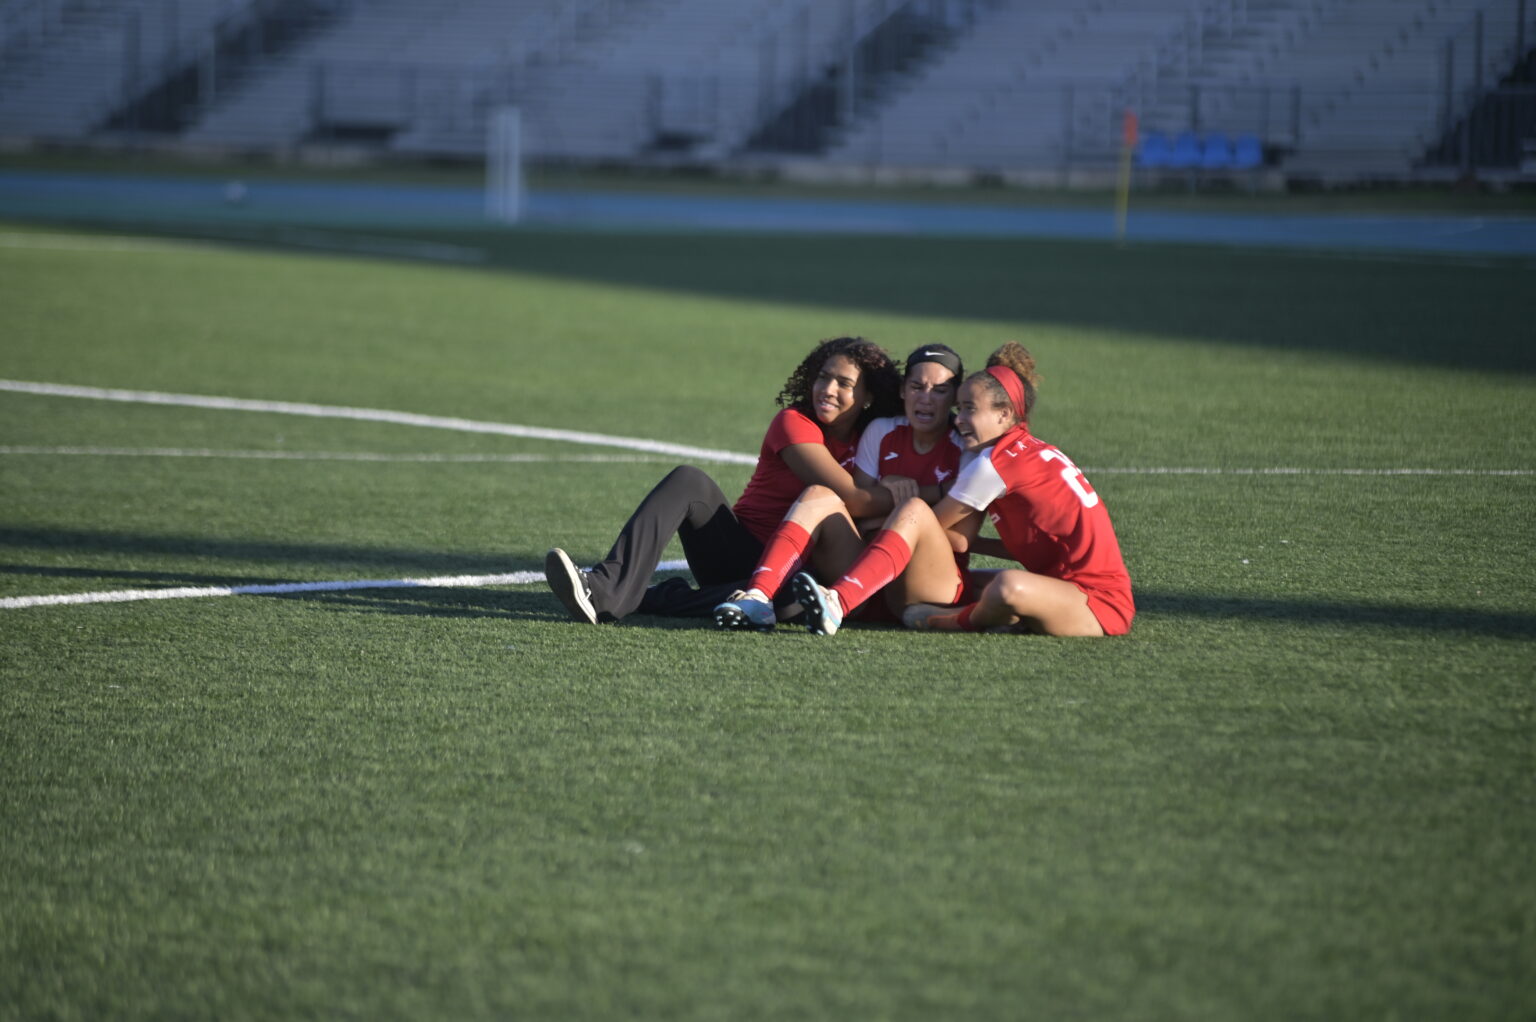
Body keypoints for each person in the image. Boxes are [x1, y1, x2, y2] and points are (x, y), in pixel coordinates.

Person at [544, 336, 903, 624]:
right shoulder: (794, 423)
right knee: (690, 481)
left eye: (844, 383)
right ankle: (604, 588)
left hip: (798, 569)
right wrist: (918, 495)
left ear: (868, 396)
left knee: (802, 594)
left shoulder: (875, 438)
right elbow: (852, 500)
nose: (827, 388)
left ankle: (657, 597)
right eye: (823, 376)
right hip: (737, 551)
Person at [788, 342, 1134, 637]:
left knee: (1005, 585)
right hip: (1061, 583)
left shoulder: (992, 464)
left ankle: (869, 607)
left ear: (1004, 414)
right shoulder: (1026, 449)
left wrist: (873, 520)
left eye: (970, 409)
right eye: (960, 407)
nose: (959, 418)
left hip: (1097, 604)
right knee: (978, 582)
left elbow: (926, 528)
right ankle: (998, 615)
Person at [712, 343, 967, 631]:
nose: (926, 398)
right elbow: (855, 507)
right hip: (866, 582)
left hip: (924, 587)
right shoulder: (880, 432)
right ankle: (758, 597)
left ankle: (837, 603)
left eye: (940, 390)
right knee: (819, 494)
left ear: (956, 397)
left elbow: (960, 540)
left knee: (914, 510)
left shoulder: (966, 447)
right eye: (916, 386)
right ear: (902, 390)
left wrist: (905, 512)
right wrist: (896, 510)